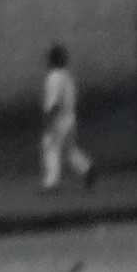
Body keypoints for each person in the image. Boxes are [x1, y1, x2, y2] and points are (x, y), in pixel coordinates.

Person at [39, 44, 94, 192]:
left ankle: (51, 181)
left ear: (51, 60)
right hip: (70, 118)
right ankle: (87, 168)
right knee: (69, 150)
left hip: (57, 120)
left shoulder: (53, 78)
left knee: (50, 147)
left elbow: (53, 102)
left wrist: (47, 120)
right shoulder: (68, 77)